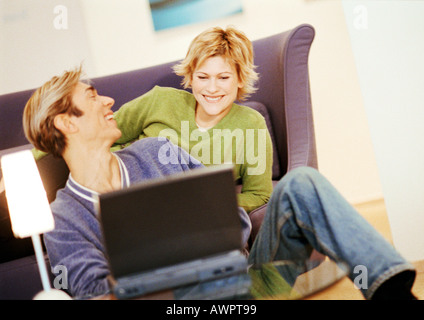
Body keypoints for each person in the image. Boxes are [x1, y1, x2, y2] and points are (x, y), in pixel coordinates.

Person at [21, 66, 416, 300]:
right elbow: (95, 294)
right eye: (92, 97)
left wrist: (213, 242)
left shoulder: (156, 152)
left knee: (302, 184)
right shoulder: (62, 218)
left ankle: (394, 294)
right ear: (65, 122)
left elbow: (235, 222)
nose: (108, 101)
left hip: (246, 281)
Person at [84, 26, 273, 214]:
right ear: (191, 77)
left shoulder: (251, 124)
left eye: (223, 77)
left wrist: (204, 203)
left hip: (195, 221)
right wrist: (128, 161)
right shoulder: (159, 100)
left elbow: (259, 195)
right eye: (203, 77)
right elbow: (98, 138)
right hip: (133, 207)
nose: (212, 88)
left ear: (240, 79)